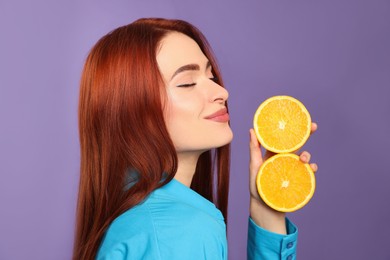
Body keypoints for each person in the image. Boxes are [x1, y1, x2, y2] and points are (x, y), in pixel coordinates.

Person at [72, 18, 318, 260]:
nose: (221, 92)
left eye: (210, 77)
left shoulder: (134, 217)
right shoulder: (181, 230)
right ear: (132, 112)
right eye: (187, 83)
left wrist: (268, 213)